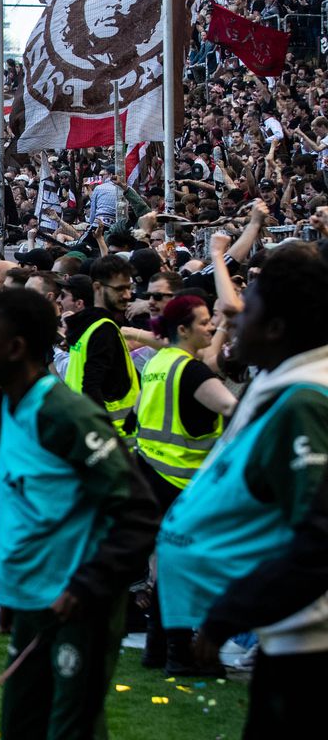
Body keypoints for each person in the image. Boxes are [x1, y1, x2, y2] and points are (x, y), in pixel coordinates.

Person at [0, 287, 157, 740]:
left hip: (77, 604)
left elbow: (137, 509)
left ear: (15, 348)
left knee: (71, 730)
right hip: (35, 600)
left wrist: (88, 584)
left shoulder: (64, 414)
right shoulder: (14, 402)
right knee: (22, 725)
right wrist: (14, 594)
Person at [157, 248, 328, 736]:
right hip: (287, 637)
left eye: (245, 309)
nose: (231, 316)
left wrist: (232, 613)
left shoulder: (307, 403)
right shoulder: (283, 381)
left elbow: (318, 537)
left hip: (307, 647)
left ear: (275, 329)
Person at [135, 294, 237, 673]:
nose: (210, 327)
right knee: (186, 567)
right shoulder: (192, 372)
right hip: (181, 480)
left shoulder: (162, 362)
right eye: (205, 321)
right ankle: (179, 653)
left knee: (170, 566)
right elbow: (234, 409)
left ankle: (159, 649)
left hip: (151, 471)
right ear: (183, 329)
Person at [63, 255, 139, 440]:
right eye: (120, 289)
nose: (127, 295)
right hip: (113, 441)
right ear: (97, 287)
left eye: (129, 288)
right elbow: (91, 386)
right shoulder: (104, 329)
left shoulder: (87, 325)